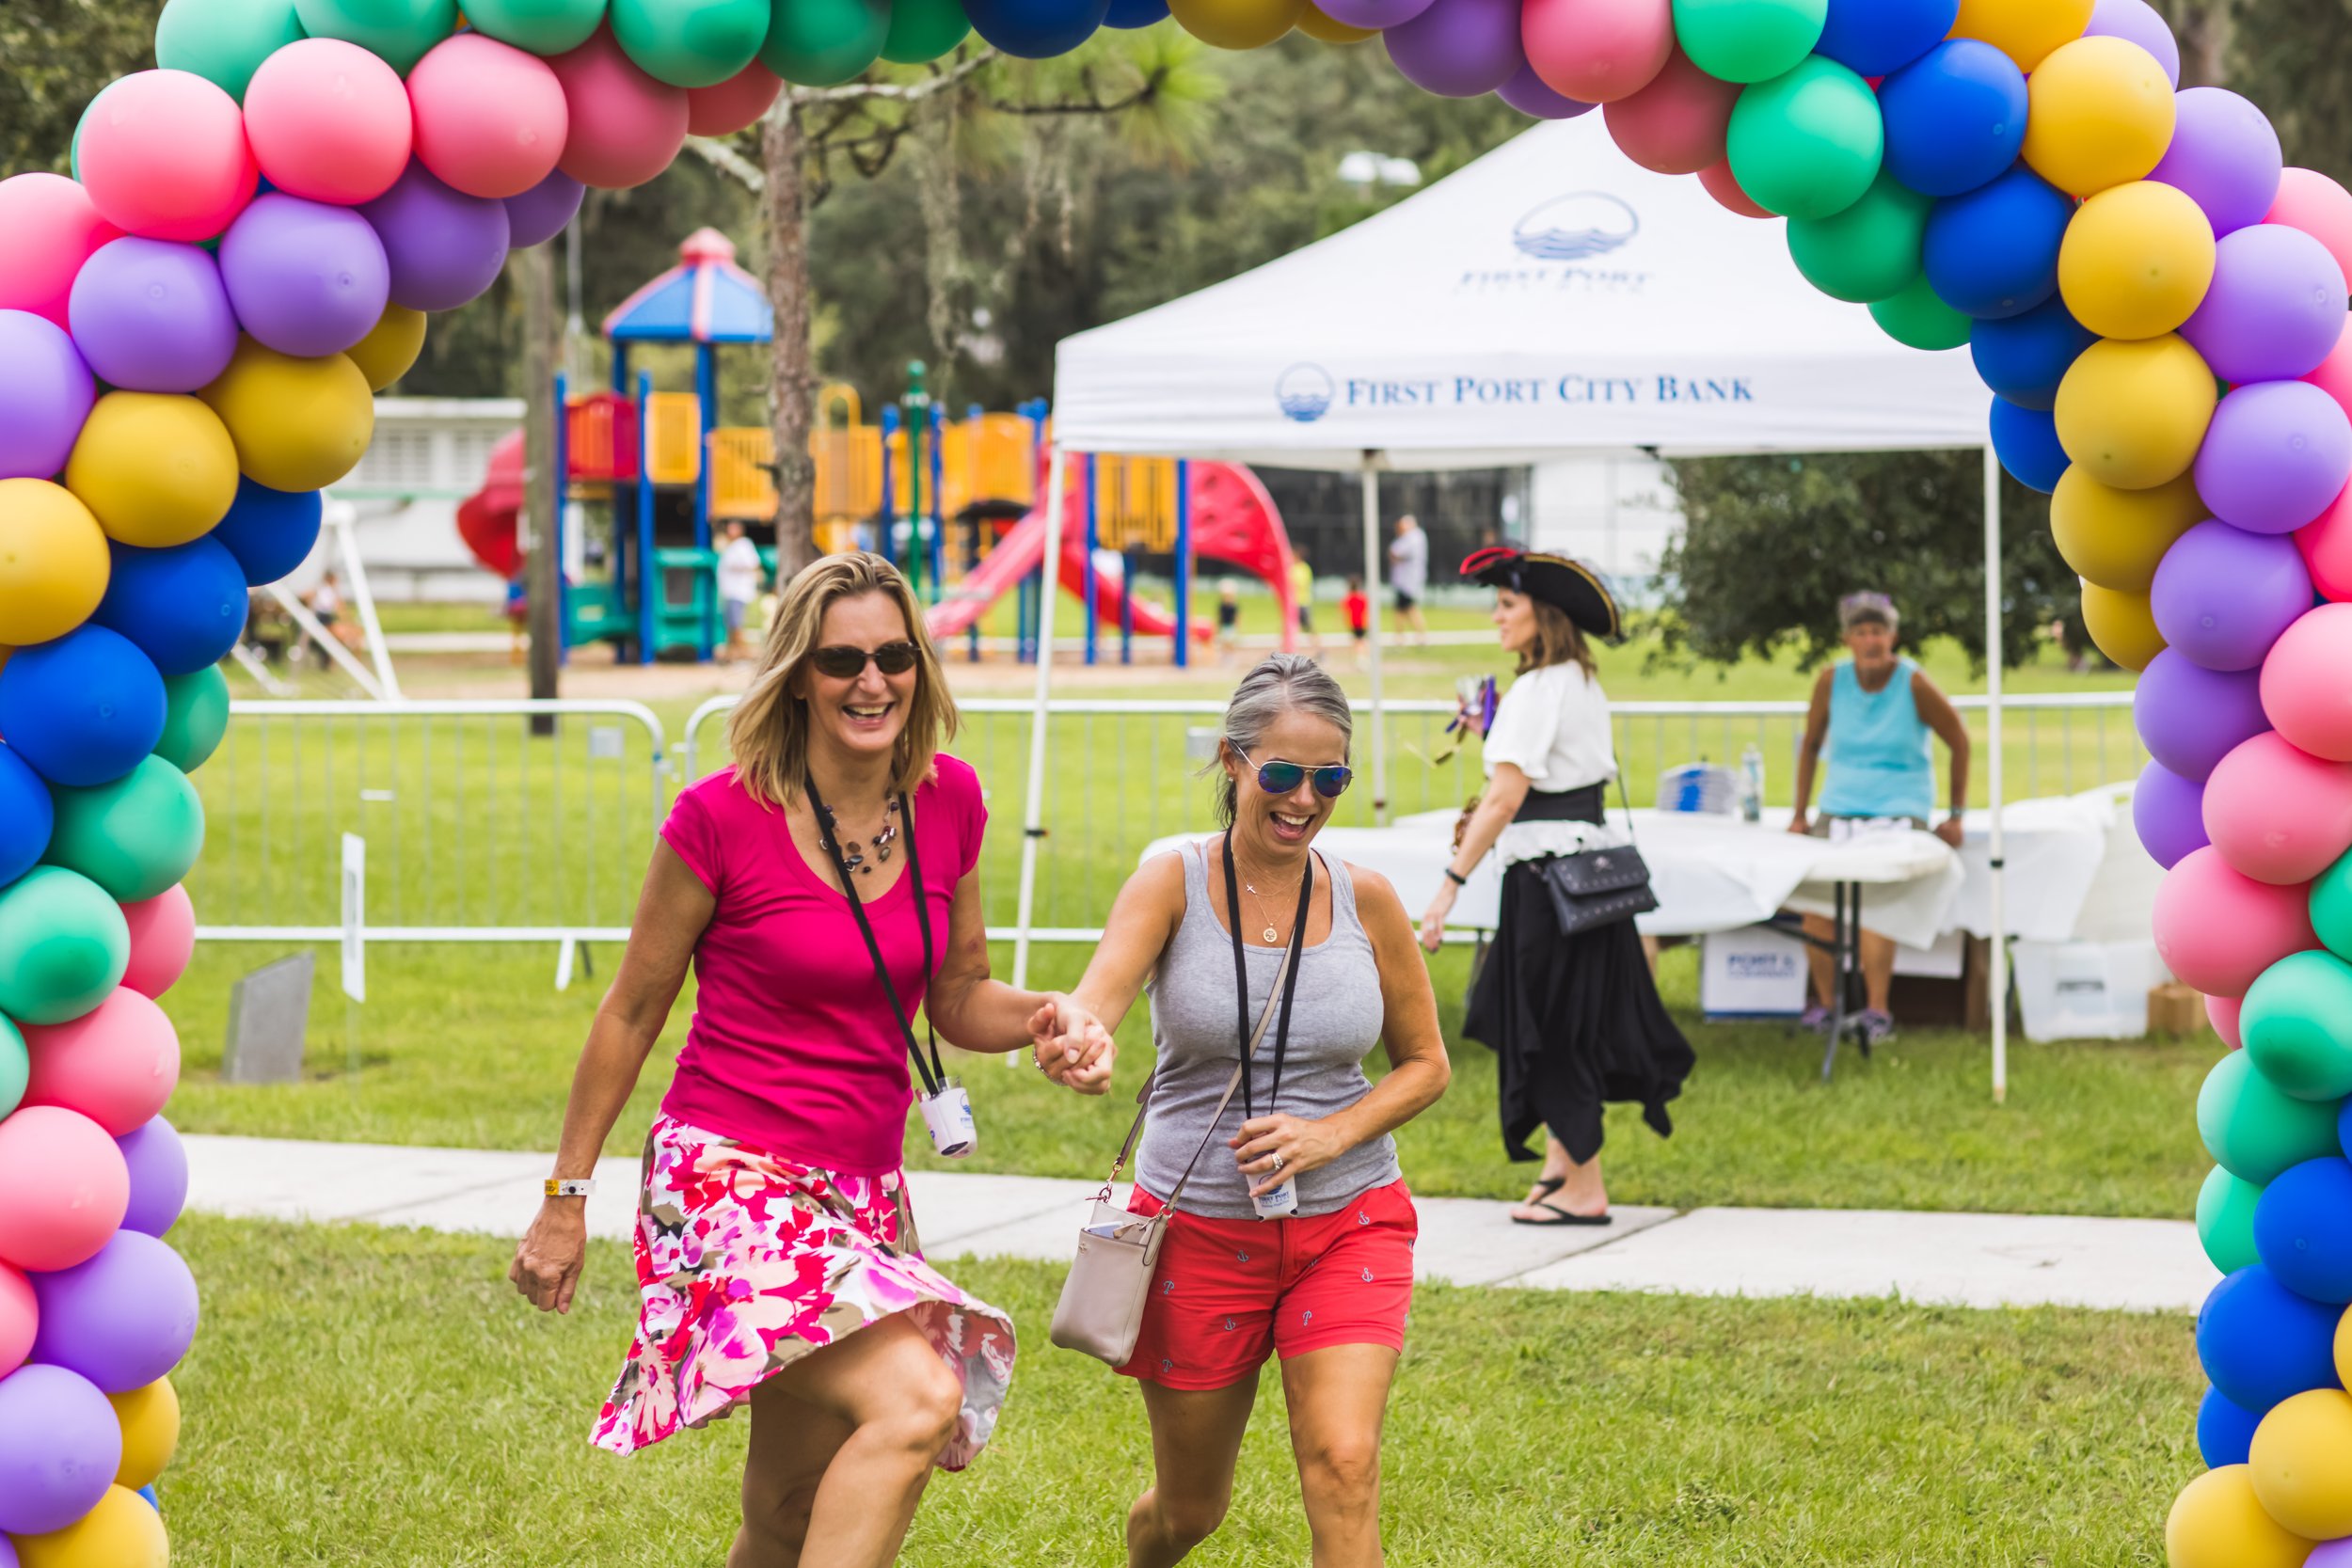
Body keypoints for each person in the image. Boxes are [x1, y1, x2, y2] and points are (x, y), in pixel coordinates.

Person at [508, 552, 1109, 1568]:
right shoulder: (719, 817)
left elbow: (959, 993)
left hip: (860, 1187)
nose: (871, 681)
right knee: (917, 1397)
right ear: (797, 675)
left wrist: (1049, 1016)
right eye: (841, 660)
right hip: (726, 1176)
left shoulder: (949, 800)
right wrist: (565, 1197)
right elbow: (631, 1011)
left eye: (893, 656)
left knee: (788, 1508)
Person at [1036, 655, 1452, 1568]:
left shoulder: (1367, 898)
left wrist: (1331, 1133)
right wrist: (1079, 1040)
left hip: (1348, 1220)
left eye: (1330, 779)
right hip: (1196, 1231)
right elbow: (1095, 1001)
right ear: (1232, 760)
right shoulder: (1171, 880)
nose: (1305, 799)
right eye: (1284, 773)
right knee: (1189, 1509)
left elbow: (1427, 1064)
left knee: (1344, 1463)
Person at [1417, 548, 1692, 1227]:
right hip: (1585, 881)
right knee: (1565, 1022)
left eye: (1508, 605)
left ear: (1545, 616)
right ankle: (1560, 1170)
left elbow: (1506, 798)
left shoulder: (1539, 689)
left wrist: (1449, 886)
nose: (1496, 617)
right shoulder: (1578, 681)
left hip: (1548, 885)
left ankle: (1585, 1188)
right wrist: (1492, 729)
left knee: (1550, 1027)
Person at [1787, 591, 1972, 1045]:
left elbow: (1959, 741)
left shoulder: (1914, 683)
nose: (1871, 641)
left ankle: (1877, 1011)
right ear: (1847, 639)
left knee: (1875, 906)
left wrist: (1955, 815)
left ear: (1893, 637)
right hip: (1839, 808)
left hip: (1899, 810)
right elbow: (1810, 745)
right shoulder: (1831, 681)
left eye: (1878, 632)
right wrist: (1799, 814)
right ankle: (1827, 1006)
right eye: (1861, 632)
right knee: (1816, 909)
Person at [718, 519, 767, 662]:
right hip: (729, 592)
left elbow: (753, 564)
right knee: (731, 625)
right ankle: (731, 654)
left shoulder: (743, 545)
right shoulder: (731, 546)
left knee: (736, 625)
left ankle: (745, 654)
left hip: (738, 592)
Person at [1387, 515, 1428, 647]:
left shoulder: (1413, 537)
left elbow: (1395, 552)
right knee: (1402, 609)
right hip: (1405, 580)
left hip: (1408, 580)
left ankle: (1417, 636)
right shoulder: (1415, 537)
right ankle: (1402, 637)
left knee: (1408, 608)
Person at [1288, 553, 1322, 657]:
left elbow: (1300, 584)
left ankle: (1319, 651)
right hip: (1294, 603)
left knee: (1309, 628)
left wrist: (1291, 582)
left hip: (1302, 602)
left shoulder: (1304, 569)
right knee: (1292, 627)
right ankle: (1291, 651)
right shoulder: (1293, 568)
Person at [1342, 576, 1369, 667]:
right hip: (1362, 623)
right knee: (1360, 641)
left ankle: (1361, 659)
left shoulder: (1349, 598)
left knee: (1358, 641)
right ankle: (1362, 658)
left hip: (1354, 623)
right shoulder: (1362, 597)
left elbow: (1345, 610)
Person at [1215, 578, 1241, 663]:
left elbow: (1237, 616)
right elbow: (1219, 616)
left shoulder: (1234, 606)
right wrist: (1218, 625)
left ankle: (1231, 656)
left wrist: (1237, 624)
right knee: (1224, 641)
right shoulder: (1222, 605)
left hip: (1231, 625)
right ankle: (1225, 656)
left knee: (1231, 641)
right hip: (1224, 625)